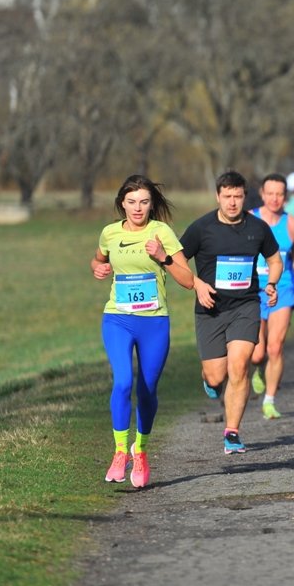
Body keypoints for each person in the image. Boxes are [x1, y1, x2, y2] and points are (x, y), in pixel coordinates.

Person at [91, 175, 194, 487]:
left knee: (147, 389)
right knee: (122, 382)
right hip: (118, 319)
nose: (138, 208)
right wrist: (98, 269)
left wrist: (162, 257)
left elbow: (188, 280)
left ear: (152, 204)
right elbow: (98, 260)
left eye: (144, 202)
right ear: (122, 202)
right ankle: (120, 452)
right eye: (132, 201)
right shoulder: (109, 232)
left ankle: (142, 451)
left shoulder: (161, 232)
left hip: (154, 322)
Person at [180, 170, 283, 455]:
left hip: (245, 306)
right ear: (218, 197)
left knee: (240, 366)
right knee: (216, 377)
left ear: (244, 197)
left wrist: (272, 283)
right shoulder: (202, 228)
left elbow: (275, 260)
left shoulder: (258, 227)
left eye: (238, 196)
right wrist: (196, 283)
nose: (233, 202)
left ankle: (232, 432)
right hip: (210, 309)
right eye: (227, 197)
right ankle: (208, 379)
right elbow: (177, 259)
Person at [248, 174, 294, 420]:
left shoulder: (293, 224)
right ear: (262, 194)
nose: (274, 198)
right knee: (257, 353)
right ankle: (258, 369)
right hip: (254, 290)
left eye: (280, 194)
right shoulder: (250, 219)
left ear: (286, 196)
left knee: (275, 347)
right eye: (270, 193)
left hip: (282, 289)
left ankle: (269, 400)